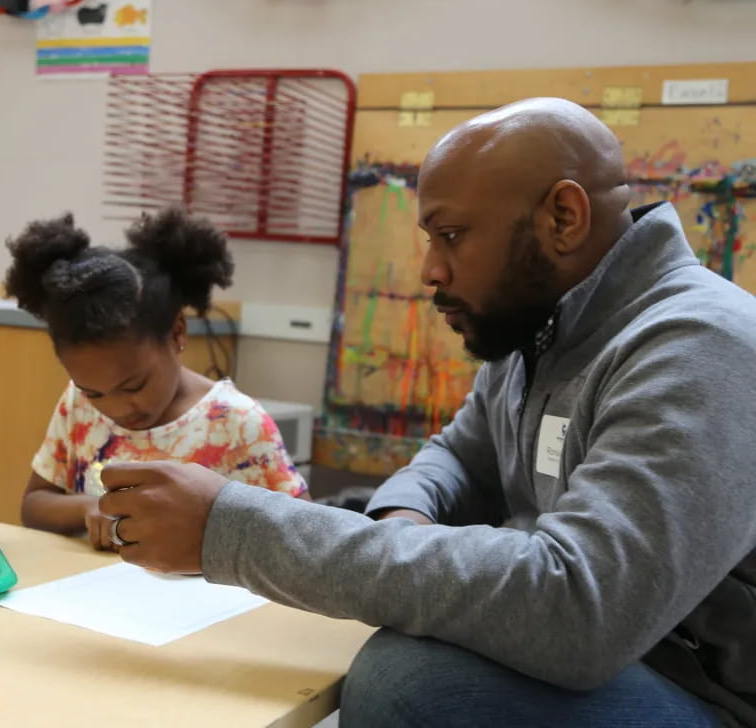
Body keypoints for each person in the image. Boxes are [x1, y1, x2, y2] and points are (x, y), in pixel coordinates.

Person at [96, 99, 756, 727]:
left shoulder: (703, 345)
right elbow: (459, 457)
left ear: (563, 217)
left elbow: (579, 608)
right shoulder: (535, 332)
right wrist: (399, 520)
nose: (430, 271)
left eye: (451, 234)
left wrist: (232, 532)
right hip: (610, 661)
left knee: (411, 680)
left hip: (696, 696)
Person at [4, 208, 308, 551]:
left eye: (134, 386)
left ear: (177, 331)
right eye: (95, 393)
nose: (117, 408)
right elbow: (34, 506)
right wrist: (90, 508)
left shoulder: (235, 422)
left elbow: (303, 536)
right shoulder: (77, 404)